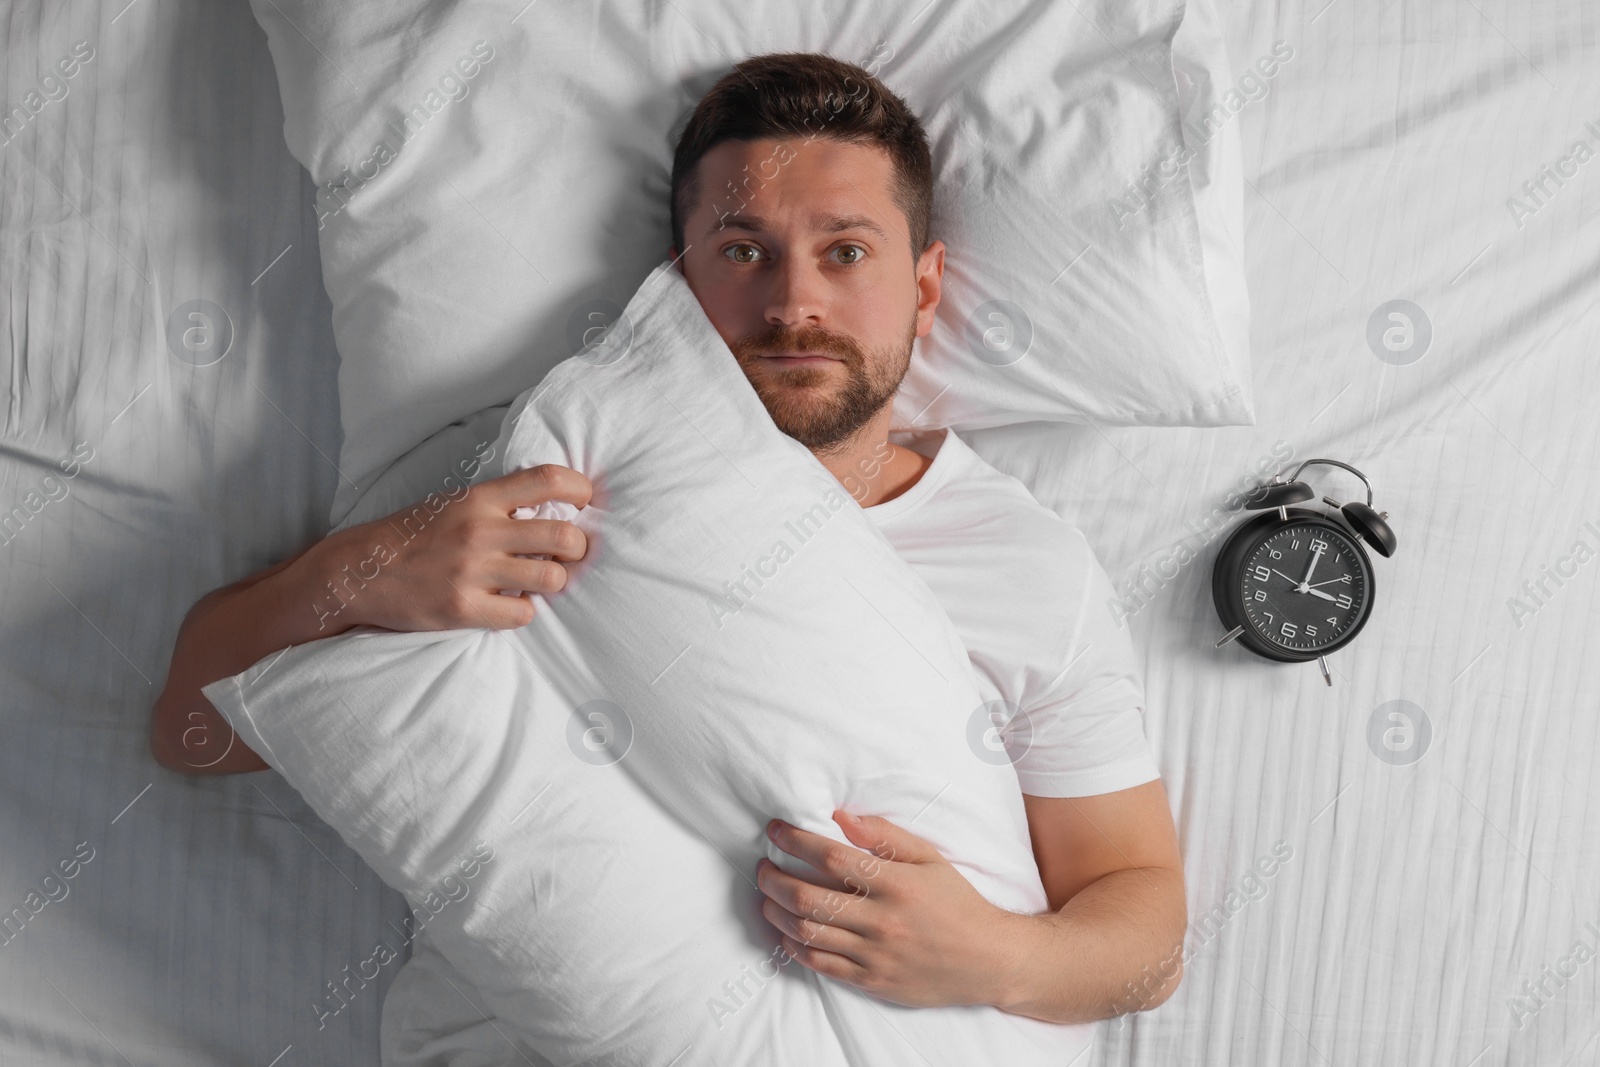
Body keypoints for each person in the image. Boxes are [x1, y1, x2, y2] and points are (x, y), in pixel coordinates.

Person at [150, 51, 1186, 1030]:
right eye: (743, 251)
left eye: (845, 251)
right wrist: (357, 576)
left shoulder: (1021, 565)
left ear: (922, 284)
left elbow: (1145, 934)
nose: (794, 301)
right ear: (680, 276)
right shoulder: (534, 474)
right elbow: (190, 733)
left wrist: (994, 955)